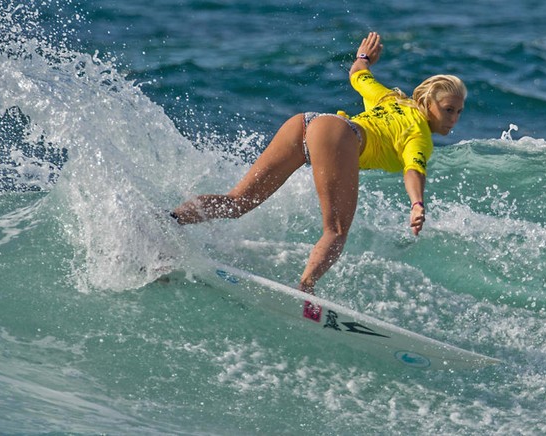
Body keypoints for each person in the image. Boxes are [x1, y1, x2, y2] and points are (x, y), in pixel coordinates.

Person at [171, 32, 466, 294]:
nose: (453, 119)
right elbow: (414, 169)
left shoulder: (390, 99)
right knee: (335, 231)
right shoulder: (420, 135)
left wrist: (364, 57)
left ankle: (168, 220)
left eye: (458, 112)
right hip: (339, 136)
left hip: (306, 123)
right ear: (428, 104)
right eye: (448, 110)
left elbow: (358, 74)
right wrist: (417, 204)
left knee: (237, 202)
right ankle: (305, 290)